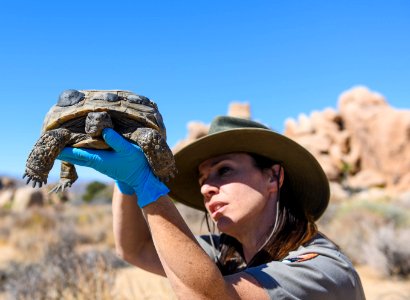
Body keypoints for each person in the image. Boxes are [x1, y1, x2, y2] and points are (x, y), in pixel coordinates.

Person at [58, 115, 366, 299]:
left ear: (273, 177)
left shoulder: (322, 268)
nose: (206, 187)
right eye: (203, 179)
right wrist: (125, 184)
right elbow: (135, 248)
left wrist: (146, 186)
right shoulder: (224, 252)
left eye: (225, 170)